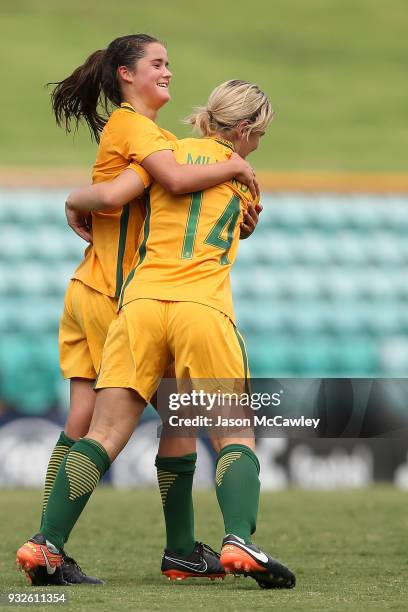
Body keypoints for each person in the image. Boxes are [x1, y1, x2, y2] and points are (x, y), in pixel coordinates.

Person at [17, 79, 295, 590]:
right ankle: (238, 540)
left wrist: (74, 203)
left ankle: (46, 543)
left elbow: (121, 197)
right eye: (260, 134)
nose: (259, 145)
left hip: (140, 307)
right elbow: (233, 223)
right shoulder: (245, 178)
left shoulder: (164, 150)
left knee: (102, 435)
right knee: (233, 432)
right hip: (202, 310)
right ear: (245, 129)